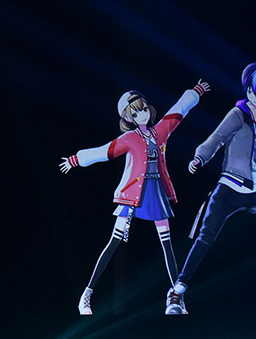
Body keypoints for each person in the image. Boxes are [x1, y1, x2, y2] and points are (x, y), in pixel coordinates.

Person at [168, 62, 256, 314]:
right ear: (246, 88)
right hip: (233, 184)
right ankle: (177, 292)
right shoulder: (237, 114)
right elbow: (217, 137)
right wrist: (200, 157)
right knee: (206, 236)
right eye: (253, 90)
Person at [60, 80, 210, 315]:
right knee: (114, 242)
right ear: (128, 118)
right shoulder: (129, 139)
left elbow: (178, 111)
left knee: (167, 246)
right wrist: (76, 159)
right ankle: (87, 294)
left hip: (156, 193)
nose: (142, 114)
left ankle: (176, 297)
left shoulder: (159, 131)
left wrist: (196, 92)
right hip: (133, 195)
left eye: (144, 108)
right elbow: (104, 152)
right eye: (136, 112)